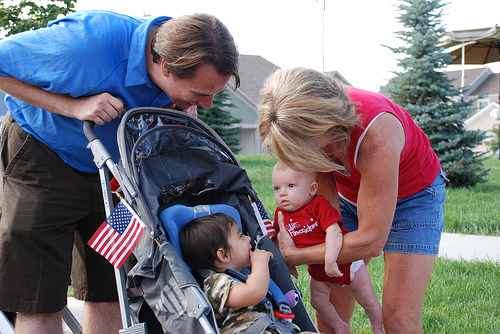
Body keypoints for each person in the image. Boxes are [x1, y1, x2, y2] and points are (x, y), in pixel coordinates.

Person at [0, 10, 239, 333]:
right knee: (40, 299)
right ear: (165, 67)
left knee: (111, 291)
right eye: (200, 94)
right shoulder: (87, 43)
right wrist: (74, 107)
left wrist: (179, 105)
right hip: (43, 157)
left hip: (115, 173)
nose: (207, 105)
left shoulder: (173, 65)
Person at [258, 67, 447, 334]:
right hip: (348, 195)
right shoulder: (307, 117)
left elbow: (371, 240)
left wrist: (295, 255)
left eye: (305, 148)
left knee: (399, 319)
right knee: (330, 310)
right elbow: (325, 209)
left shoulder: (377, 131)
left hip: (413, 196)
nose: (302, 158)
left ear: (328, 125)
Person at [271, 162, 384, 334]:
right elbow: (278, 238)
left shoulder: (318, 205)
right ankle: (339, 326)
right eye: (277, 188)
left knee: (367, 298)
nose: (283, 193)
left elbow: (334, 231)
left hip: (347, 263)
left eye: (290, 186)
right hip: (318, 270)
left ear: (312, 189)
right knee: (317, 301)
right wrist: (286, 262)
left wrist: (331, 260)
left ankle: (377, 328)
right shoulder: (281, 213)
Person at [179, 213, 318, 334]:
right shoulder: (215, 283)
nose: (249, 238)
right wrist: (260, 262)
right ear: (224, 255)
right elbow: (254, 292)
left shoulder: (244, 277)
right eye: (241, 236)